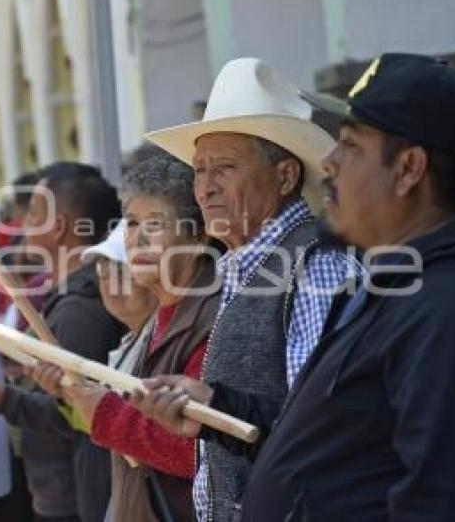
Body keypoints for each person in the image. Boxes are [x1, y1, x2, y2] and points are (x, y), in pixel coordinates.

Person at [137, 53, 455, 521]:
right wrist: (217, 408)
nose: (331, 164)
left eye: (352, 147)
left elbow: (445, 497)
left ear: (408, 169)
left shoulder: (451, 308)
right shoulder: (401, 288)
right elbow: (338, 433)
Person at [131, 58, 360, 520]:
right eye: (199, 170)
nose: (205, 188)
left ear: (285, 177)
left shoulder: (317, 266)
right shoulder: (244, 267)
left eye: (225, 168)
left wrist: (214, 407)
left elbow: (319, 426)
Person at [32, 153, 221, 521]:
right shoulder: (151, 324)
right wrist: (72, 394)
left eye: (155, 223)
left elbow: (198, 451)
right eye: (132, 223)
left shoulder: (213, 319)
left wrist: (102, 410)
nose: (138, 239)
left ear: (197, 235)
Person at [0, 162, 127, 522]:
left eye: (31, 214)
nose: (22, 226)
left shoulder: (79, 311)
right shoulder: (65, 299)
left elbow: (82, 416)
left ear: (58, 227)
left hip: (74, 498)